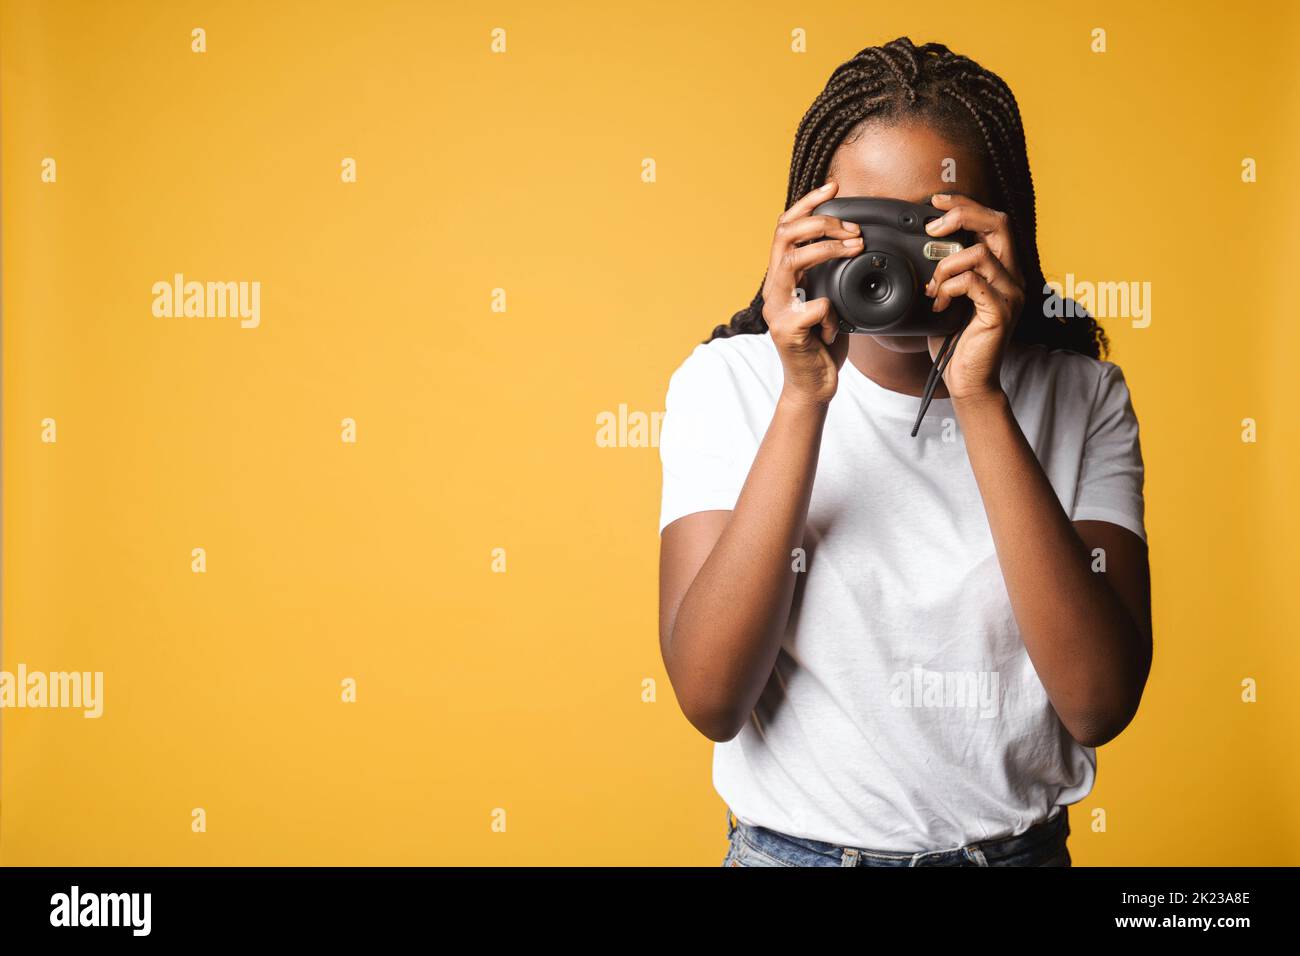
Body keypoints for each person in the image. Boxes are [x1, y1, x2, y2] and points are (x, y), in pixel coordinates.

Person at [656, 37, 1151, 868]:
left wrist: (979, 396)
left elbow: (1097, 702)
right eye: (863, 225)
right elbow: (711, 698)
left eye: (933, 227)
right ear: (805, 225)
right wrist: (804, 399)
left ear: (1000, 232)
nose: (892, 262)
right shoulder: (729, 385)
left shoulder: (1083, 396)